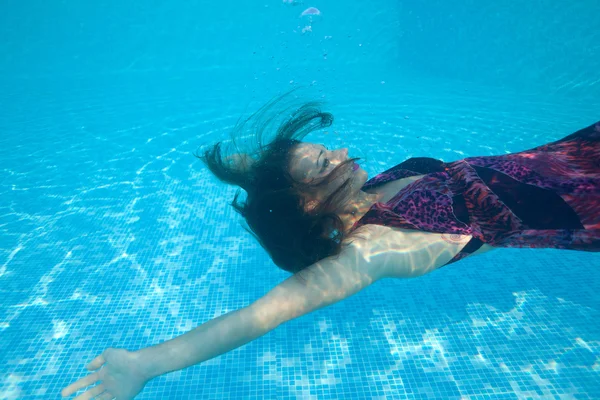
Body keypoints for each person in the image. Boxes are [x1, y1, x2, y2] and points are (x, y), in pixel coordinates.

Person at [61, 97, 600, 400]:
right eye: (325, 163)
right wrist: (144, 364)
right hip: (582, 199)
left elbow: (276, 183)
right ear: (311, 207)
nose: (341, 152)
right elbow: (261, 315)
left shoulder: (368, 189)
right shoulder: (374, 248)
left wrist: (254, 171)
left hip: (565, 156)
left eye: (327, 150)